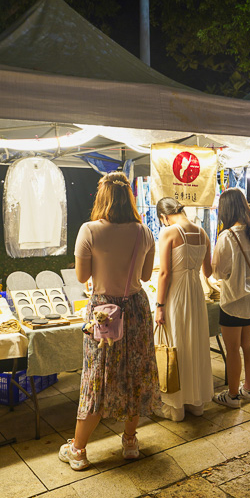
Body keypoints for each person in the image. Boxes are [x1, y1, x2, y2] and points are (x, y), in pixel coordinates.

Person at [60, 172, 159, 471]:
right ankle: (130, 442)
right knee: (135, 374)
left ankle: (78, 450)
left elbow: (81, 277)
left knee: (97, 379)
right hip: (138, 310)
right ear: (128, 197)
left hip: (104, 313)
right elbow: (144, 276)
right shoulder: (144, 232)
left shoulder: (89, 231)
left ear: (102, 197)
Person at [154, 197, 215, 421]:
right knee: (195, 343)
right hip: (196, 293)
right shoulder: (203, 233)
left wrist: (159, 306)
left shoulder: (168, 232)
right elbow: (207, 272)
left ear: (164, 216)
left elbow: (164, 273)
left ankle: (176, 408)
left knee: (176, 344)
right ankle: (195, 404)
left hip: (176, 294)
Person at [211, 187, 250, 408]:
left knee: (233, 349)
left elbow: (219, 272)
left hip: (233, 301)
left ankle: (233, 395)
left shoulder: (227, 237)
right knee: (249, 345)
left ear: (226, 210)